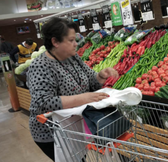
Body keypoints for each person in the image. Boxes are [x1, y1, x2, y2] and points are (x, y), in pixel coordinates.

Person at [27, 17, 119, 161]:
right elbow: (42, 103)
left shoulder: (73, 57)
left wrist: (101, 76)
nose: (76, 44)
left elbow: (91, 80)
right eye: (71, 40)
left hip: (73, 126)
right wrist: (83, 98)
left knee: (79, 157)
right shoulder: (40, 66)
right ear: (55, 42)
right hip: (51, 133)